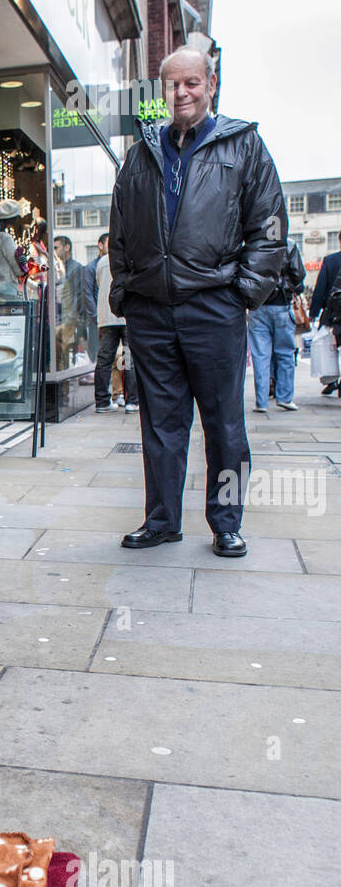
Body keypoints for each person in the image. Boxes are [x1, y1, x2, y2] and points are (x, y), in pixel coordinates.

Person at [108, 47, 286, 558]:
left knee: (225, 424)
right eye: (172, 85)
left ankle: (226, 522)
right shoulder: (142, 151)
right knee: (161, 424)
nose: (182, 93)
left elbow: (270, 227)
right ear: (161, 91)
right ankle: (162, 519)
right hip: (151, 310)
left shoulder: (243, 145)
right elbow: (119, 227)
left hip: (215, 307)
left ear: (210, 84)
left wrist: (244, 294)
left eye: (191, 83)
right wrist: (125, 292)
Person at [248, 238, 304, 412]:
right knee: (285, 353)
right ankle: (285, 397)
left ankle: (261, 401)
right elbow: (298, 274)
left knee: (260, 355)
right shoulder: (289, 244)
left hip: (258, 305)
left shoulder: (255, 240)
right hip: (281, 304)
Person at [94, 247, 138, 412]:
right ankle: (131, 401)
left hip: (106, 317)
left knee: (105, 359)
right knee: (128, 359)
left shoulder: (103, 262)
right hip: (126, 315)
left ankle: (102, 401)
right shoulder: (131, 258)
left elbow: (98, 283)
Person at [309, 242, 341, 396]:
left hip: (333, 312)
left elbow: (320, 287)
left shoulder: (330, 260)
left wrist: (314, 312)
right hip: (333, 312)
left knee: (330, 348)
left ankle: (332, 379)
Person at [53, 235, 86, 368]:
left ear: (67, 247)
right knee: (58, 352)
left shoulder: (76, 268)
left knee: (64, 351)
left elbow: (78, 295)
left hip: (68, 317)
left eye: (56, 247)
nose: (54, 251)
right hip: (56, 315)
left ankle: (65, 383)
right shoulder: (54, 268)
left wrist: (72, 316)